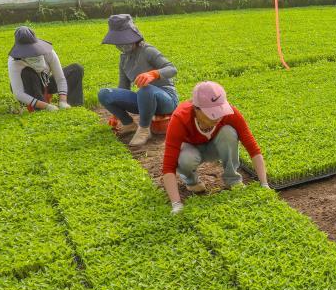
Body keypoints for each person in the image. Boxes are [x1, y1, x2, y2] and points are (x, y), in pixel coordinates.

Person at [160, 81, 269, 214]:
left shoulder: (230, 114)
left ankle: (232, 180)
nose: (218, 116)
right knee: (185, 159)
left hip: (215, 148)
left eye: (219, 110)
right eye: (211, 112)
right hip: (191, 151)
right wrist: (176, 204)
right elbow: (168, 166)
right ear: (196, 109)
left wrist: (264, 184)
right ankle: (192, 182)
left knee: (228, 132)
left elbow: (253, 148)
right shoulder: (180, 118)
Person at [97, 14, 178, 147]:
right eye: (118, 42)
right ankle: (129, 125)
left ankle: (144, 129)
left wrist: (154, 74)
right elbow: (123, 87)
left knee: (145, 89)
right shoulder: (124, 59)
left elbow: (172, 69)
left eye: (124, 40)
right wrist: (116, 114)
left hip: (166, 99)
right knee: (105, 94)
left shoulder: (148, 51)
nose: (121, 45)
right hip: (144, 100)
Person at [7, 26, 83, 111]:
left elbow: (60, 78)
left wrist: (63, 101)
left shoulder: (47, 52)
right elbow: (19, 93)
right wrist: (46, 106)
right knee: (28, 73)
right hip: (28, 88)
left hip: (46, 83)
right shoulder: (14, 61)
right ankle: (40, 109)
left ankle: (74, 108)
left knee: (76, 69)